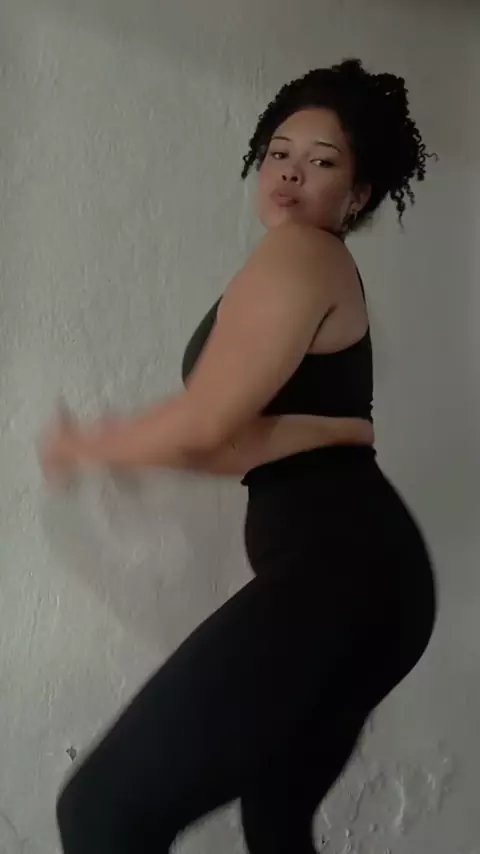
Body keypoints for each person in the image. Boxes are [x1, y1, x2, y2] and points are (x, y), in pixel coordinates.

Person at [40, 58, 436, 854]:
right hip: (375, 579)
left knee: (100, 813)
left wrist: (89, 444)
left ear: (357, 195)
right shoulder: (304, 270)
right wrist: (167, 449)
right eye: (279, 153)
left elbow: (207, 420)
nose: (290, 174)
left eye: (321, 162)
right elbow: (238, 442)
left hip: (345, 572)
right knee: (275, 820)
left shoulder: (302, 253)